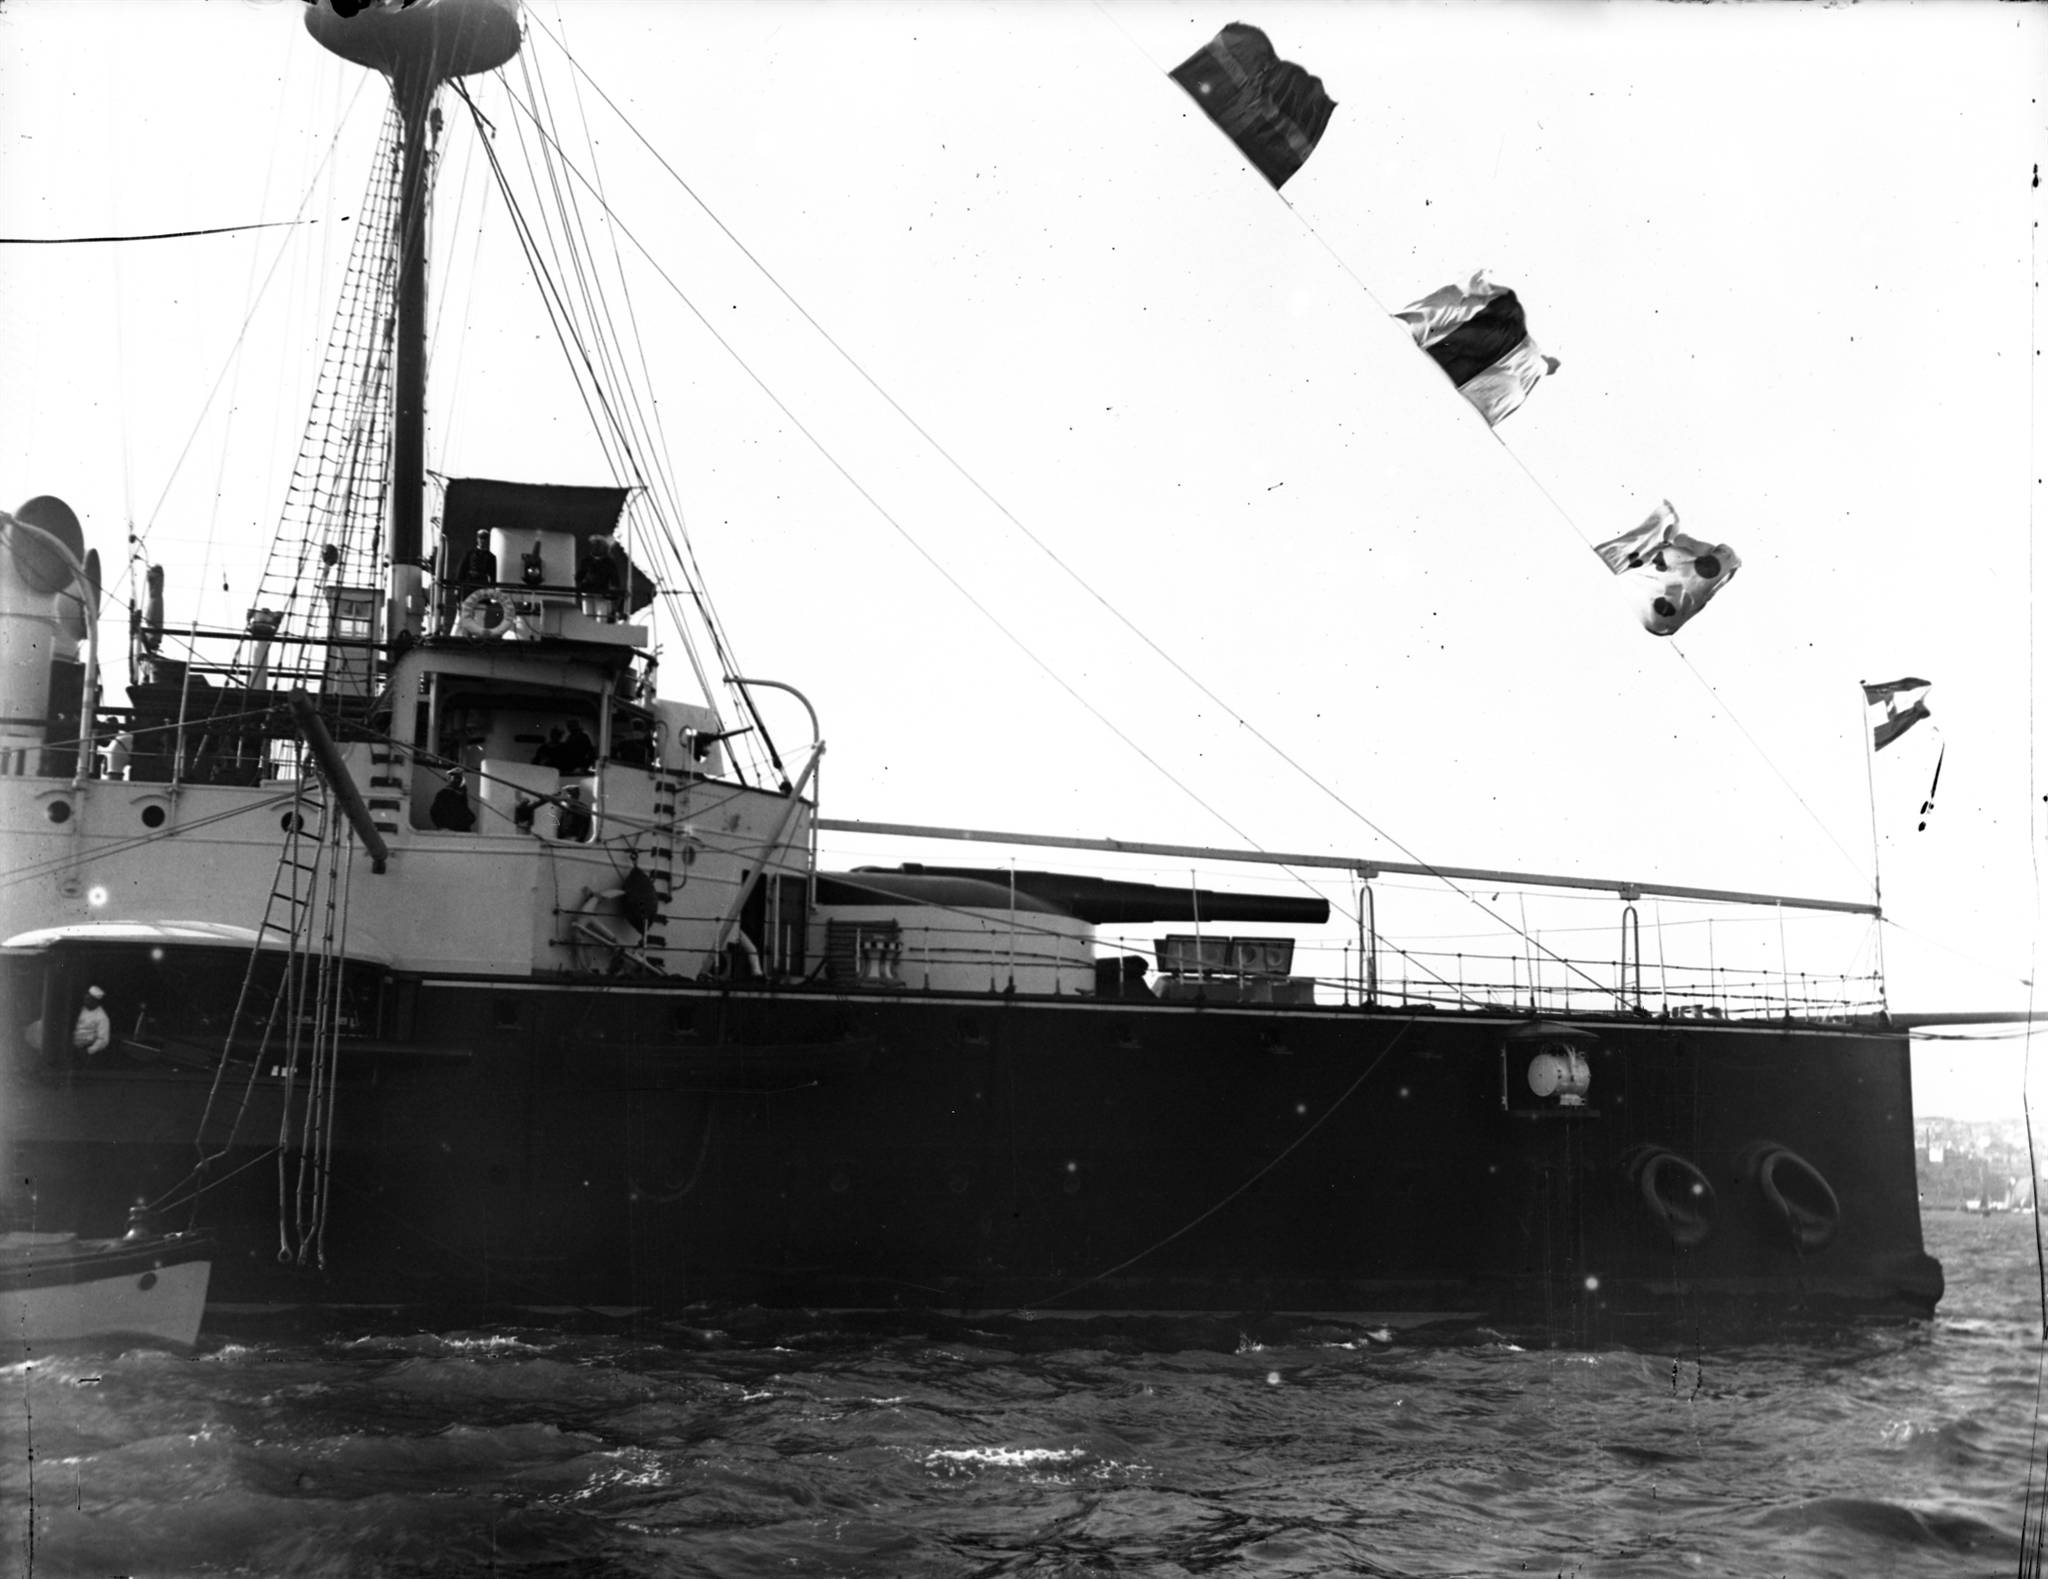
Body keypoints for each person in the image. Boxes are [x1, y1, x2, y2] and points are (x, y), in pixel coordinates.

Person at [576, 534, 619, 619]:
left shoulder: (609, 562)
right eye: (594, 545)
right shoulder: (586, 561)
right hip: (588, 592)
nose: (595, 548)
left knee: (601, 617)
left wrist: (613, 593)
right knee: (588, 616)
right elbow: (579, 576)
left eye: (598, 545)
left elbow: (615, 580)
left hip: (601, 594)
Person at [72, 986, 112, 1058]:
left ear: (95, 1001)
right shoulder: (82, 1009)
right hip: (73, 1047)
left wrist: (89, 1051)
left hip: (86, 1051)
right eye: (85, 998)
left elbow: (103, 1040)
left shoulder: (102, 1017)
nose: (85, 1001)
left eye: (88, 999)